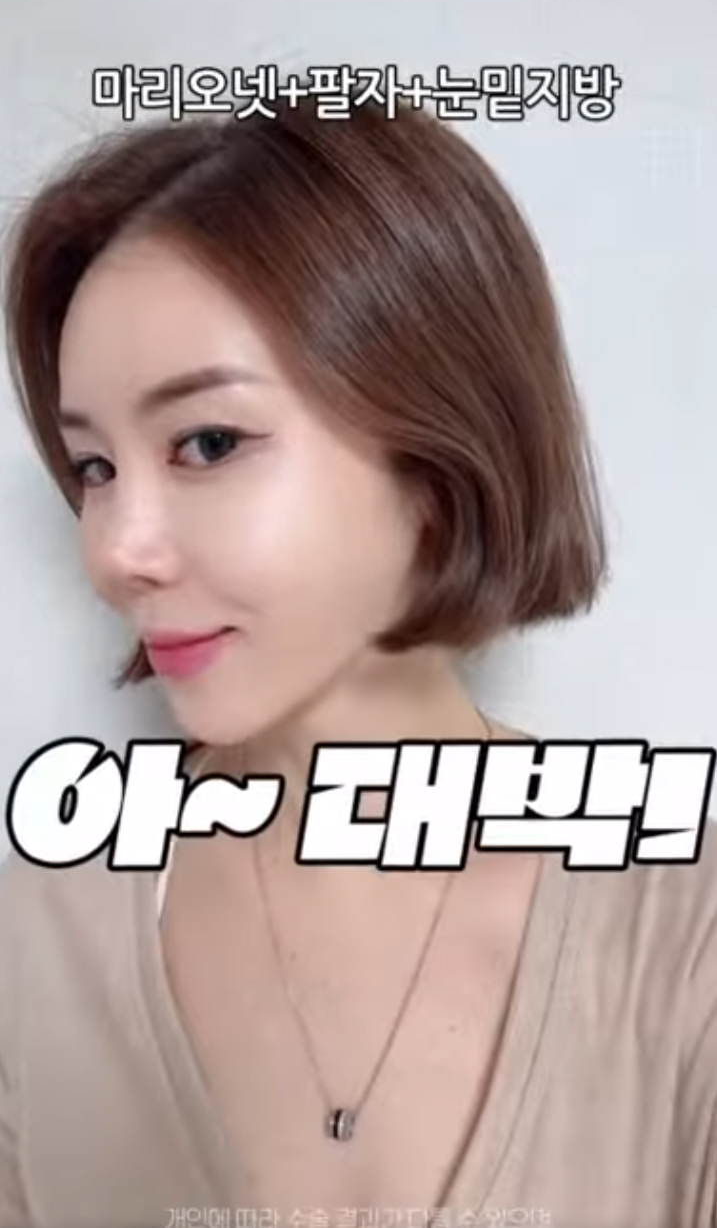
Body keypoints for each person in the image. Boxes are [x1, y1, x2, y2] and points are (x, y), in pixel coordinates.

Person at [0, 93, 715, 1228]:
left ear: (434, 461)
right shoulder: (35, 944)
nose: (117, 552)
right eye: (94, 467)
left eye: (208, 443)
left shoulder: (682, 930)